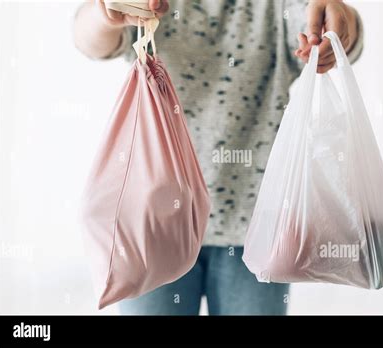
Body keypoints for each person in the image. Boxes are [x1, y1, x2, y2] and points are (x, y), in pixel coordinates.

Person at [74, 0, 364, 315]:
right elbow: (89, 38)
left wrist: (337, 27)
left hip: (256, 230)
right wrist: (106, 11)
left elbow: (324, 23)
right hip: (151, 228)